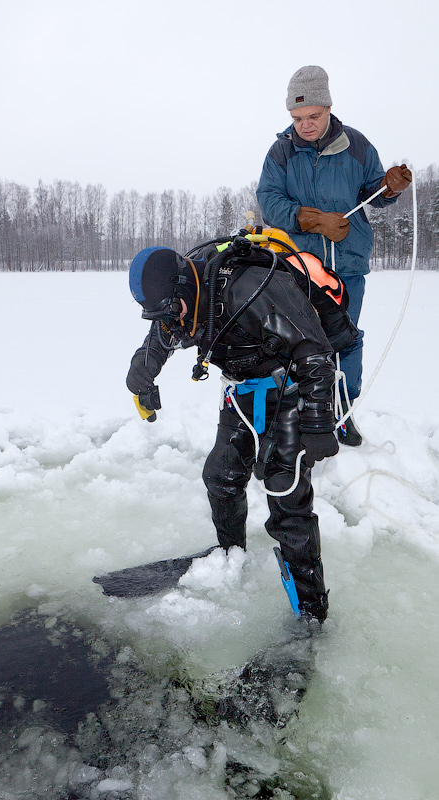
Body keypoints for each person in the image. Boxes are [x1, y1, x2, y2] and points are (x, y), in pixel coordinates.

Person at [126, 234, 358, 622]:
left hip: (292, 387)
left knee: (285, 494)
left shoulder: (252, 289)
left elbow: (314, 351)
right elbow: (159, 340)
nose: (172, 320)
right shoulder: (179, 305)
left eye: (171, 309)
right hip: (243, 390)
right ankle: (231, 554)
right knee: (221, 477)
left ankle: (312, 611)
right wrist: (141, 382)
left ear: (185, 285)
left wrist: (318, 424)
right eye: (160, 313)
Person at [256, 65, 412, 446]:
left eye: (313, 116)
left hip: (347, 266)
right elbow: (268, 201)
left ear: (328, 108)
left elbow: (374, 197)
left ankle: (342, 411)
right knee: (295, 341)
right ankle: (297, 410)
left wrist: (389, 188)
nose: (305, 125)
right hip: (298, 266)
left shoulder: (357, 146)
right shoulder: (280, 151)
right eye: (297, 118)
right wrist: (308, 219)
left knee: (345, 340)